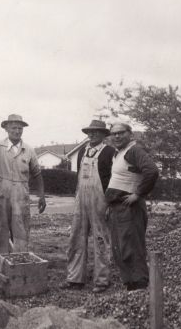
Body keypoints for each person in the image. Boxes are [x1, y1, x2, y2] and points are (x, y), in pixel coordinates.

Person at [60, 120, 115, 292]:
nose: (92, 135)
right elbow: (79, 177)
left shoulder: (109, 152)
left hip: (100, 199)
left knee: (101, 239)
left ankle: (101, 280)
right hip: (81, 198)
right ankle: (75, 278)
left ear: (103, 135)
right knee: (76, 237)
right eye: (90, 132)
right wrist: (77, 196)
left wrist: (109, 204)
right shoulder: (83, 151)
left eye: (96, 132)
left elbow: (113, 180)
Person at [105, 123, 159, 291]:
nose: (117, 136)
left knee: (132, 249)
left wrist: (138, 194)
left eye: (121, 133)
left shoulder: (134, 151)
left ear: (130, 134)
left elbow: (152, 171)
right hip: (118, 208)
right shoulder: (118, 153)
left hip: (130, 208)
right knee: (120, 249)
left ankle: (140, 289)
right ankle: (130, 287)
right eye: (113, 134)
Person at [0, 114, 46, 269]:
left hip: (21, 194)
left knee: (21, 232)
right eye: (14, 127)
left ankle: (19, 269)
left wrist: (42, 196)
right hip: (1, 193)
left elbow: (37, 174)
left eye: (20, 128)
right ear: (6, 129)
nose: (17, 131)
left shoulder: (28, 150)